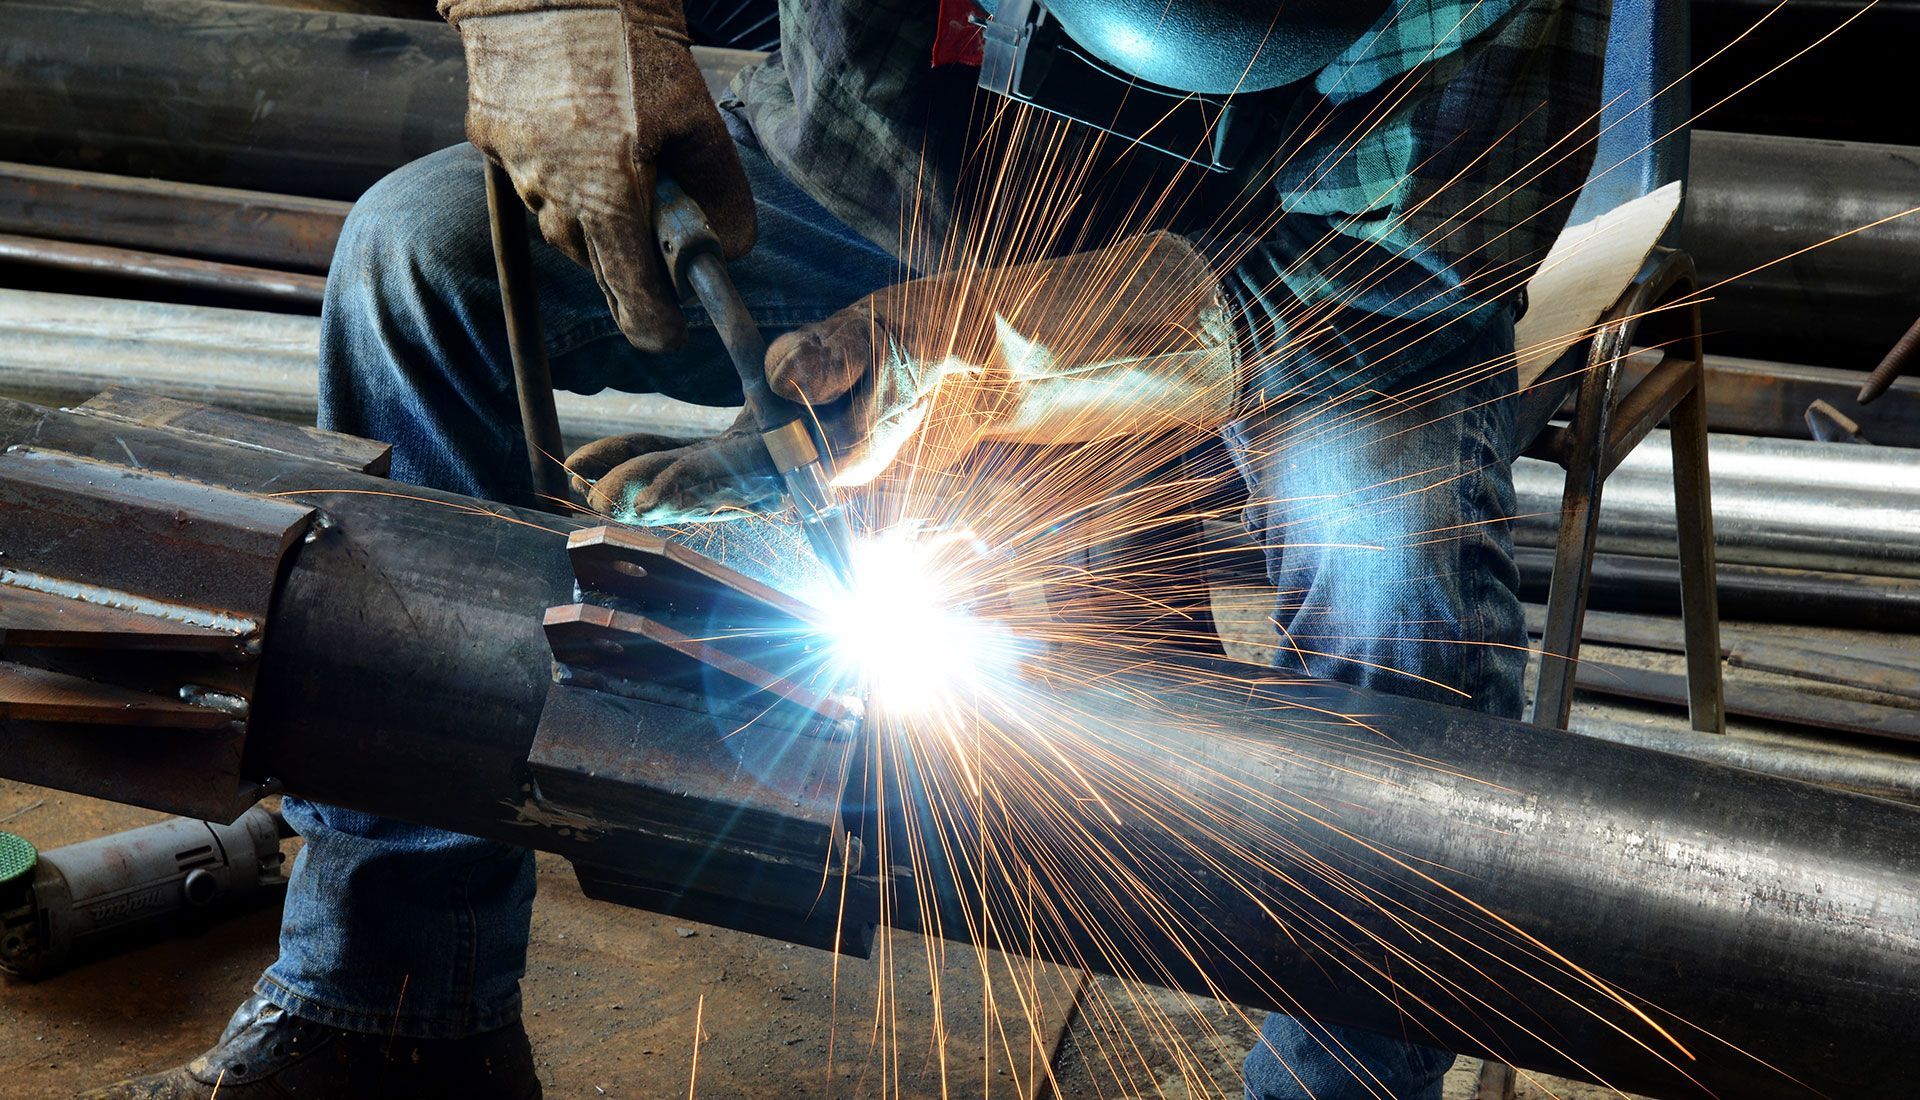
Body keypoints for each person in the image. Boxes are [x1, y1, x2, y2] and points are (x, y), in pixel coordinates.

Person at [86, 1, 1604, 1097]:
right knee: (423, 253)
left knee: (1400, 577)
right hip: (889, 183)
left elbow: (1394, 275)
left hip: (1299, 262)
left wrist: (1006, 364)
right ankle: (395, 1003)